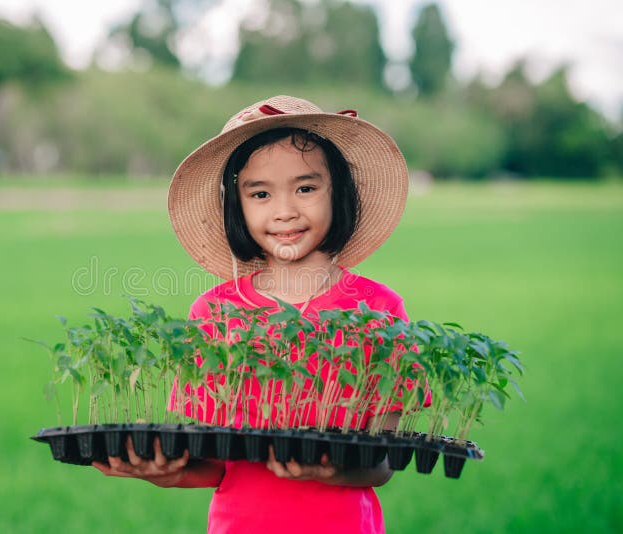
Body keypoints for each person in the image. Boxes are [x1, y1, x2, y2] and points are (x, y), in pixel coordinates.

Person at [92, 95, 424, 533]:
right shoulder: (214, 313)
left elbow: (383, 463)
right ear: (238, 206)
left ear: (338, 192)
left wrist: (333, 469)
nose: (285, 211)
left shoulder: (379, 309)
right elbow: (213, 463)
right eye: (261, 193)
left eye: (306, 188)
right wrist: (166, 473)